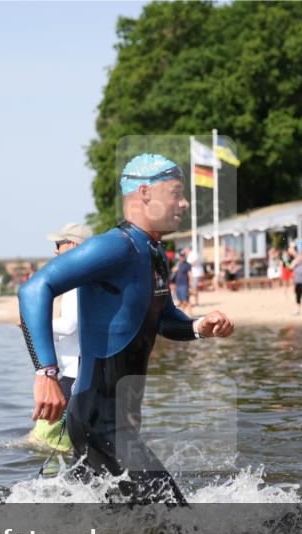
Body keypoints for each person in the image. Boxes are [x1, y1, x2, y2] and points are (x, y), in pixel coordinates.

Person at [19, 154, 234, 505]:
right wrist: (46, 373)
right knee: (180, 528)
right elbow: (33, 290)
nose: (184, 202)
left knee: (118, 528)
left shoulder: (152, 252)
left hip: (113, 418)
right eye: (176, 192)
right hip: (99, 419)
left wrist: (198, 327)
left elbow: (163, 317)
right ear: (146, 194)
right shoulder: (115, 246)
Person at [28, 222, 93, 457]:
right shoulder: (88, 277)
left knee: (41, 441)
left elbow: (69, 325)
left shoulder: (77, 282)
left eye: (58, 245)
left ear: (72, 246)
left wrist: (34, 324)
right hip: (76, 371)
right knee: (62, 443)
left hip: (75, 374)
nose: (55, 251)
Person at [172, 249, 192, 316]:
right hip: (178, 285)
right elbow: (173, 270)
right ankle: (182, 314)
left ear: (185, 257)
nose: (182, 257)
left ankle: (189, 314)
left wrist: (190, 285)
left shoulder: (187, 265)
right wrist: (177, 267)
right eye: (181, 256)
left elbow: (190, 275)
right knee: (180, 301)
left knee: (186, 301)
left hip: (184, 285)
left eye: (183, 256)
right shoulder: (178, 264)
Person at [291, 250, 302, 315]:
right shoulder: (296, 263)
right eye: (301, 256)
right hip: (297, 282)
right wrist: (296, 261)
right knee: (298, 296)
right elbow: (291, 267)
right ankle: (298, 310)